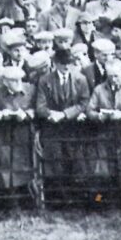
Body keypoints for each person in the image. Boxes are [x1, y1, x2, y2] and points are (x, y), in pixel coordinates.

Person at [35, 48, 91, 186]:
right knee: (55, 165)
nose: (66, 66)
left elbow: (84, 102)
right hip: (53, 129)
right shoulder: (45, 80)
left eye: (69, 63)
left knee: (76, 163)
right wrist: (51, 114)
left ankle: (76, 199)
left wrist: (65, 114)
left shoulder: (80, 79)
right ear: (55, 63)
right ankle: (59, 200)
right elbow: (40, 107)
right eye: (62, 63)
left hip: (74, 129)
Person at [0, 66, 36, 194]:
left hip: (24, 133)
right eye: (14, 80)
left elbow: (37, 108)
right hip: (4, 134)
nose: (18, 83)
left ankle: (29, 198)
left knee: (26, 165)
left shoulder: (30, 89)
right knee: (6, 165)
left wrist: (26, 114)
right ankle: (11, 200)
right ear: (5, 81)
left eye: (20, 79)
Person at [86, 58, 121, 177]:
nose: (113, 79)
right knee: (105, 172)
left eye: (116, 76)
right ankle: (102, 196)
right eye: (110, 76)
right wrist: (98, 116)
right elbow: (89, 110)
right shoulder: (99, 89)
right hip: (105, 134)